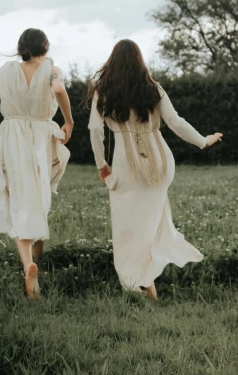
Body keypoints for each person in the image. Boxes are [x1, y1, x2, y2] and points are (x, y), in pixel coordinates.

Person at [87, 39, 222, 299]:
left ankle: (137, 281)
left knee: (129, 226)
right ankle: (149, 287)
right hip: (160, 162)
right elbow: (176, 122)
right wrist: (203, 141)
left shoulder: (103, 91)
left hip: (127, 166)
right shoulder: (153, 88)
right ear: (140, 61)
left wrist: (101, 164)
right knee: (151, 224)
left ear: (112, 62)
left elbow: (94, 129)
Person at [0, 28, 73, 299]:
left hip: (12, 138)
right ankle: (36, 252)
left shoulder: (5, 71)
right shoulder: (52, 68)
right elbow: (59, 89)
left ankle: (29, 263)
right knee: (38, 194)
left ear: (21, 48)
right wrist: (70, 121)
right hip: (42, 138)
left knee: (18, 199)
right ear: (46, 48)